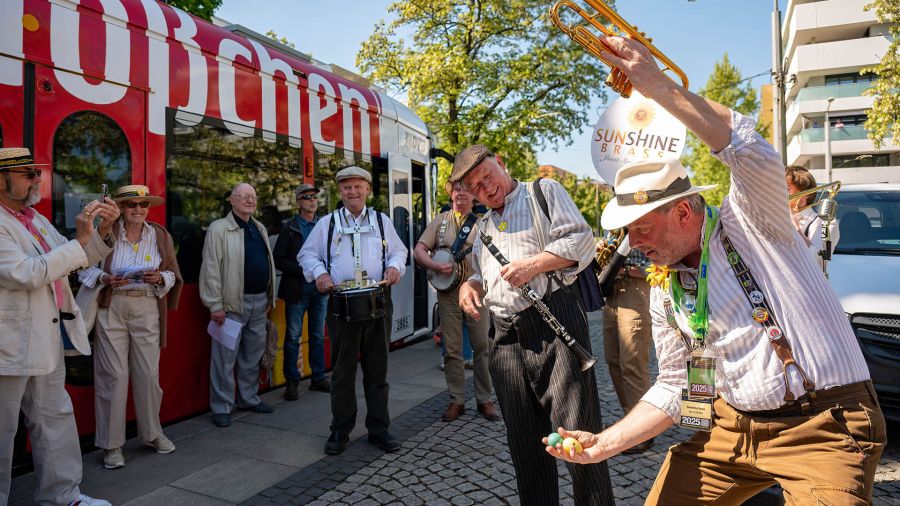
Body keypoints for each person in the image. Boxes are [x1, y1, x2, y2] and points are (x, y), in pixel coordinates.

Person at [544, 35, 885, 505]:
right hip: (730, 427)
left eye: (641, 228)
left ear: (683, 212)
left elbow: (747, 149)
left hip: (821, 425)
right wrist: (605, 443)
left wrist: (657, 85)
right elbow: (676, 384)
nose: (633, 244)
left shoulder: (751, 222)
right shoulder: (665, 286)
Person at [454, 146, 615, 506]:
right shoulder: (483, 223)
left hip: (553, 324)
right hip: (504, 337)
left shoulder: (543, 191)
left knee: (577, 438)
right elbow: (483, 271)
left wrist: (535, 264)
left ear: (502, 163)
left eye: (488, 176)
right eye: (476, 187)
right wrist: (470, 285)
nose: (486, 188)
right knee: (525, 446)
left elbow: (581, 241)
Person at [0, 147, 116, 506]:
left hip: (45, 338)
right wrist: (79, 240)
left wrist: (102, 230)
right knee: (2, 430)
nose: (37, 179)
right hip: (8, 344)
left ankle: (63, 496)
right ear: (1, 180)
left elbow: (73, 260)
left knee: (56, 419)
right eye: (28, 173)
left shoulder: (33, 218)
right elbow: (28, 273)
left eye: (37, 172)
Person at [299, 166, 408, 456]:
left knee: (377, 369)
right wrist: (320, 273)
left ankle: (379, 429)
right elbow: (306, 254)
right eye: (347, 187)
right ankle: (340, 430)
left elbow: (399, 251)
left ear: (367, 189)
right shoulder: (328, 223)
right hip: (341, 304)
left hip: (378, 300)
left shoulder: (381, 221)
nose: (353, 192)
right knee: (342, 372)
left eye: (358, 186)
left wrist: (394, 267)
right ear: (340, 191)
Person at [78, 185, 183, 469]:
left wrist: (159, 278)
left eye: (143, 205)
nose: (138, 209)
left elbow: (173, 273)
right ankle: (111, 445)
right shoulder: (105, 231)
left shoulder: (160, 234)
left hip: (147, 305)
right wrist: (105, 279)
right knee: (113, 376)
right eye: (131, 204)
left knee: (148, 374)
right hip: (112, 306)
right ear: (122, 208)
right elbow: (82, 267)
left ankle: (152, 433)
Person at [413, 181, 497, 422]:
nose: (461, 193)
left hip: (476, 293)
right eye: (457, 189)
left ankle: (485, 399)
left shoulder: (483, 223)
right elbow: (419, 250)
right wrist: (434, 265)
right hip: (448, 294)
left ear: (474, 195)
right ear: (451, 194)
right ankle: (456, 400)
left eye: (466, 189)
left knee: (482, 347)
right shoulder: (440, 221)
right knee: (451, 349)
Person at [200, 182, 277, 428]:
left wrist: (269, 297)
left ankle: (248, 399)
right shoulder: (218, 229)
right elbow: (211, 268)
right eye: (243, 196)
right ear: (231, 200)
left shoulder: (259, 227)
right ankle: (222, 406)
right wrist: (215, 304)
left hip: (259, 301)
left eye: (253, 196)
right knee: (224, 358)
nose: (250, 200)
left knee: (252, 355)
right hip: (231, 303)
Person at [273, 183, 330, 400]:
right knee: (293, 337)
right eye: (307, 197)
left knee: (317, 336)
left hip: (320, 291)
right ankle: (292, 382)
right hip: (296, 291)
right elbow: (279, 260)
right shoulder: (290, 227)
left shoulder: (324, 225)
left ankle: (318, 378)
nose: (312, 201)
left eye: (314, 197)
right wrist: (304, 269)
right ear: (298, 202)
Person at [601, 246, 653, 453]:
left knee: (632, 364)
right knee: (613, 361)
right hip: (612, 293)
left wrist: (631, 270)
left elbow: (663, 266)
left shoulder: (646, 228)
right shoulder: (614, 231)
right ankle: (630, 420)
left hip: (636, 291)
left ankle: (643, 432)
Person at [785, 165, 840, 271]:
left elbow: (815, 260)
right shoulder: (776, 219)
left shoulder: (826, 222)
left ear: (806, 194)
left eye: (787, 189)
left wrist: (793, 224)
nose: (780, 194)